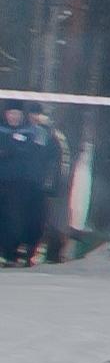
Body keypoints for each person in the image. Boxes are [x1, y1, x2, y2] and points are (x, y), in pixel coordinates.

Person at [0, 100, 57, 266]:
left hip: (26, 185)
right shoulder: (3, 131)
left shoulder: (34, 133)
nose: (13, 117)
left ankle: (21, 251)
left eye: (16, 113)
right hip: (4, 183)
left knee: (25, 219)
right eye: (11, 113)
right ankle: (7, 251)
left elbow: (45, 156)